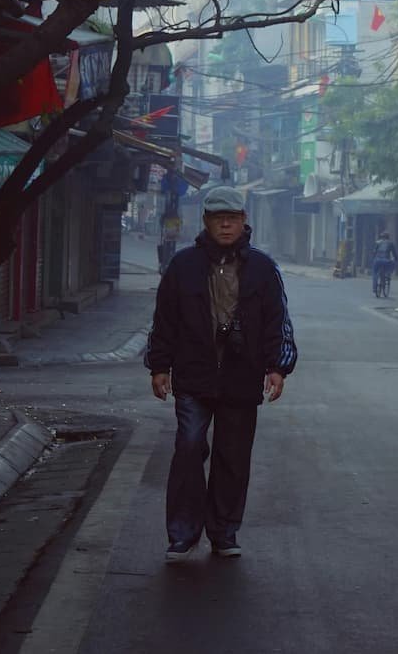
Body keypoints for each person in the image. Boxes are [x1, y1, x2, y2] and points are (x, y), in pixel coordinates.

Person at [145, 186, 296, 563]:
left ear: (244, 221)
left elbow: (279, 321)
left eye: (232, 217)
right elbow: (164, 319)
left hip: (242, 377)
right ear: (206, 222)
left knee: (233, 455)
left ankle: (224, 531)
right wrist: (159, 366)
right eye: (217, 217)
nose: (225, 223)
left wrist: (278, 367)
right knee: (189, 447)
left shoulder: (263, 268)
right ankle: (182, 534)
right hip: (194, 375)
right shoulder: (183, 266)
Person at [370, 230, 398, 298]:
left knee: (375, 273)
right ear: (388, 237)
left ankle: (374, 288)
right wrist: (396, 259)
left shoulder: (377, 242)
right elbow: (394, 253)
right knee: (391, 265)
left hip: (377, 260)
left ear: (381, 237)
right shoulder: (390, 243)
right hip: (386, 260)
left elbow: (374, 252)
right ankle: (388, 275)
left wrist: (373, 259)